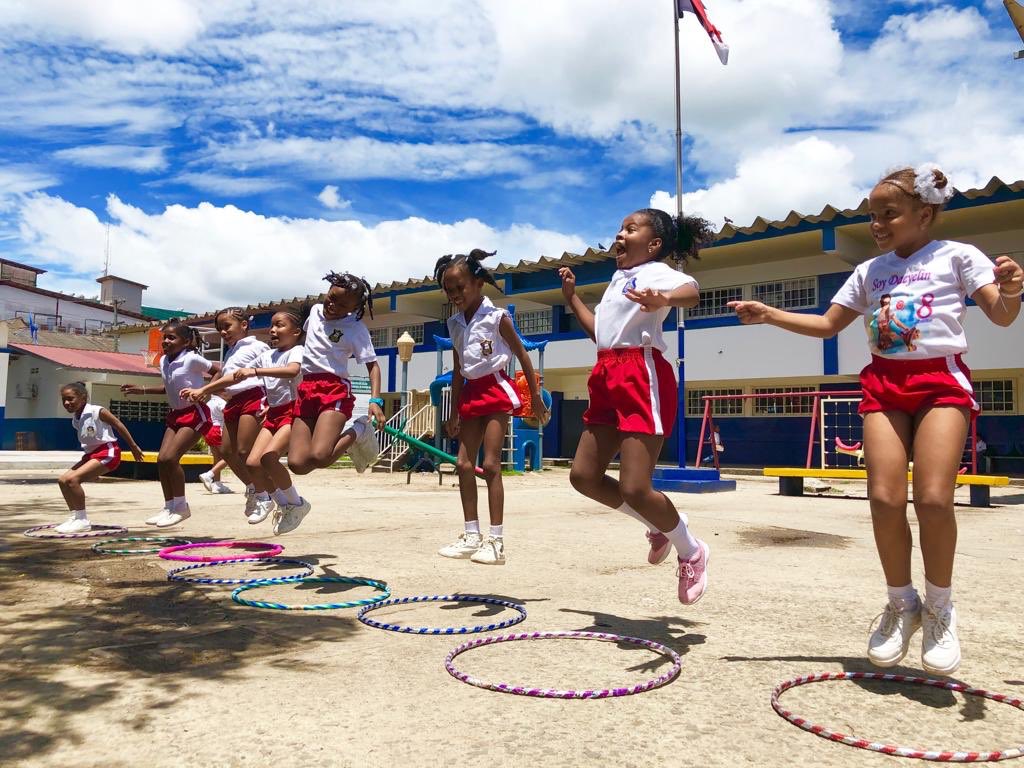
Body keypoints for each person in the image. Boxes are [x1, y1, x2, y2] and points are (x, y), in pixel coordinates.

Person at [730, 164, 1023, 675]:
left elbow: (1000, 315)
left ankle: (939, 608)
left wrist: (1013, 288)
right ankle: (900, 603)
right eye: (873, 215)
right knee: (885, 500)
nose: (878, 224)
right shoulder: (871, 270)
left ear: (924, 214)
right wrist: (770, 314)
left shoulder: (958, 257)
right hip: (884, 383)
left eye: (889, 213)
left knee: (933, 499)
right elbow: (826, 325)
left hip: (940, 382)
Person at [559, 209, 712, 604]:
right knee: (583, 476)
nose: (619, 235)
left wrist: (663, 298)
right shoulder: (617, 279)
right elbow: (600, 331)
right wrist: (572, 298)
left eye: (630, 229)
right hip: (606, 371)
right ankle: (657, 525)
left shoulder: (656, 271)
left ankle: (691, 549)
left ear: (654, 243)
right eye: (619, 228)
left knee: (635, 486)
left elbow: (692, 292)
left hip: (640, 374)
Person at [435, 249, 548, 565]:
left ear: (478, 283)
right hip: (471, 393)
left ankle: (496, 541)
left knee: (492, 464)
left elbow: (523, 355)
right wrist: (454, 411)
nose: (455, 294)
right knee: (463, 465)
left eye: (461, 287)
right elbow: (458, 368)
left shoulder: (497, 317)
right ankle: (472, 535)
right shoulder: (454, 324)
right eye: (449, 290)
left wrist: (535, 397)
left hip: (496, 388)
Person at [282, 272, 384, 534]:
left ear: (354, 308)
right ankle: (300, 505)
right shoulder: (314, 312)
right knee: (297, 464)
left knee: (320, 455)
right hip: (307, 389)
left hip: (334, 389)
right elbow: (310, 344)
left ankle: (359, 429)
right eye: (331, 299)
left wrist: (375, 399)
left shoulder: (356, 329)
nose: (332, 306)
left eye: (341, 305)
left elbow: (373, 366)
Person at [120, 320, 213, 527]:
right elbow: (169, 388)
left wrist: (205, 391)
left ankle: (181, 507)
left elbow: (218, 371)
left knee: (171, 458)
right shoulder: (164, 361)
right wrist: (141, 390)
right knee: (162, 460)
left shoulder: (192, 359)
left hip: (194, 413)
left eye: (172, 337)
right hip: (175, 415)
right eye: (165, 337)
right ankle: (169, 506)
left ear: (186, 341)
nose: (166, 341)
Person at [181, 308, 268, 522]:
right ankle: (252, 488)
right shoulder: (230, 351)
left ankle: (264, 495)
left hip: (254, 396)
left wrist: (204, 390)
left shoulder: (258, 346)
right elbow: (225, 378)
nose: (223, 332)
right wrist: (208, 391)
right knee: (227, 451)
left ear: (244, 325)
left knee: (244, 450)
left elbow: (269, 374)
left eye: (227, 326)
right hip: (234, 400)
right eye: (219, 328)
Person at [229, 307, 307, 526]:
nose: (273, 330)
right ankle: (281, 503)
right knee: (253, 463)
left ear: (296, 332)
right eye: (272, 325)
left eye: (279, 325)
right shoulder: (266, 356)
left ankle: (297, 504)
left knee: (269, 458)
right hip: (273, 413)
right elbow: (233, 378)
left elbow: (292, 371)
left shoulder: (297, 351)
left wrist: (254, 372)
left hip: (294, 413)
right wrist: (205, 390)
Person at [55, 382, 144, 533]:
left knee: (73, 480)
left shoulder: (97, 411)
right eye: (64, 400)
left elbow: (118, 425)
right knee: (63, 480)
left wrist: (133, 446)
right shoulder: (76, 419)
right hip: (91, 455)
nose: (66, 403)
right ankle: (75, 517)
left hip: (108, 452)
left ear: (83, 397)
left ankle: (82, 520)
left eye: (70, 399)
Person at [198, 395, 234, 494]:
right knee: (230, 456)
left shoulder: (209, 403)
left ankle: (217, 484)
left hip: (209, 431)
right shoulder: (221, 402)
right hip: (219, 430)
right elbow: (229, 415)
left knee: (217, 458)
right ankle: (209, 475)